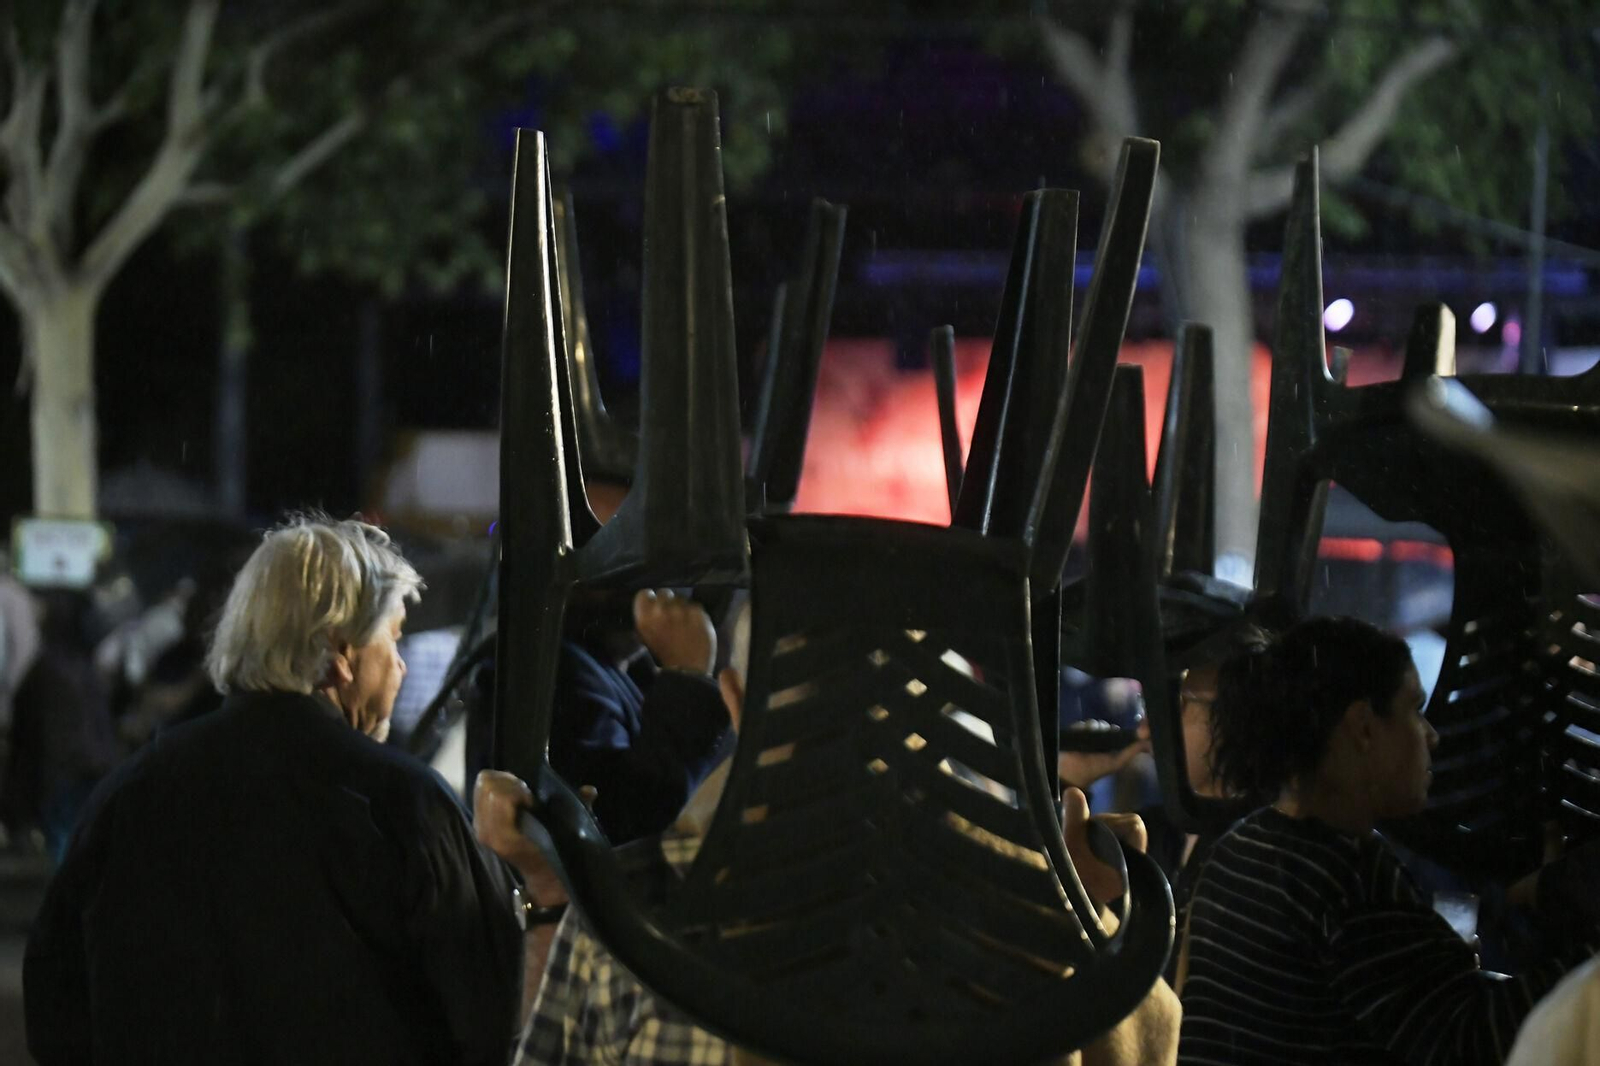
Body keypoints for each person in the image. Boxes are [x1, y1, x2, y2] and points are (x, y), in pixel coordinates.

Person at [24, 514, 530, 1065]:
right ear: (341, 650)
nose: (402, 667)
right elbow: (495, 1011)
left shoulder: (128, 795)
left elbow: (56, 1003)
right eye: (394, 637)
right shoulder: (404, 806)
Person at [1177, 616, 1600, 1065]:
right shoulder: (1348, 879)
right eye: (1414, 709)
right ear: (1363, 728)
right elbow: (1475, 1041)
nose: (1432, 736)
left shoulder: (1242, 848)